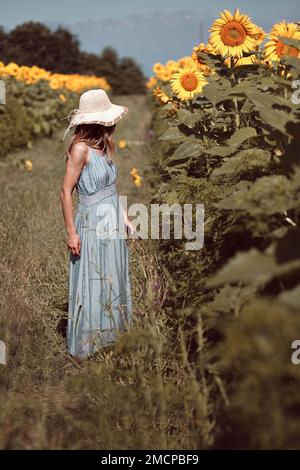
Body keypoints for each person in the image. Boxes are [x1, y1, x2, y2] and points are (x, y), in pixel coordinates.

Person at [61, 89, 136, 361]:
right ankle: (88, 343)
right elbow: (65, 191)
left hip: (111, 219)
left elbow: (111, 190)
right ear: (98, 121)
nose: (112, 124)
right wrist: (72, 232)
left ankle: (112, 338)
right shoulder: (79, 148)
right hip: (91, 221)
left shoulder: (103, 146)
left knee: (112, 275)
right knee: (92, 278)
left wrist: (126, 219)